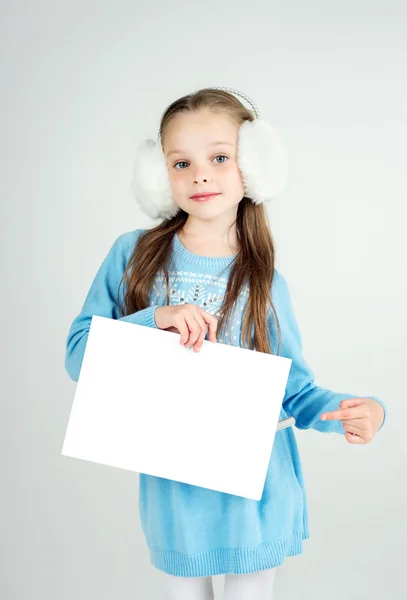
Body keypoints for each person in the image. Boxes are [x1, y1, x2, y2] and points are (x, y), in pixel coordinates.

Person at [64, 87, 387, 599]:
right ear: (159, 174)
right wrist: (156, 318)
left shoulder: (265, 280)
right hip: (176, 503)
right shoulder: (134, 255)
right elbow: (80, 356)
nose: (200, 175)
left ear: (252, 168)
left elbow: (293, 392)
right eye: (180, 162)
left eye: (219, 157)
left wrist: (353, 409)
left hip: (258, 500)